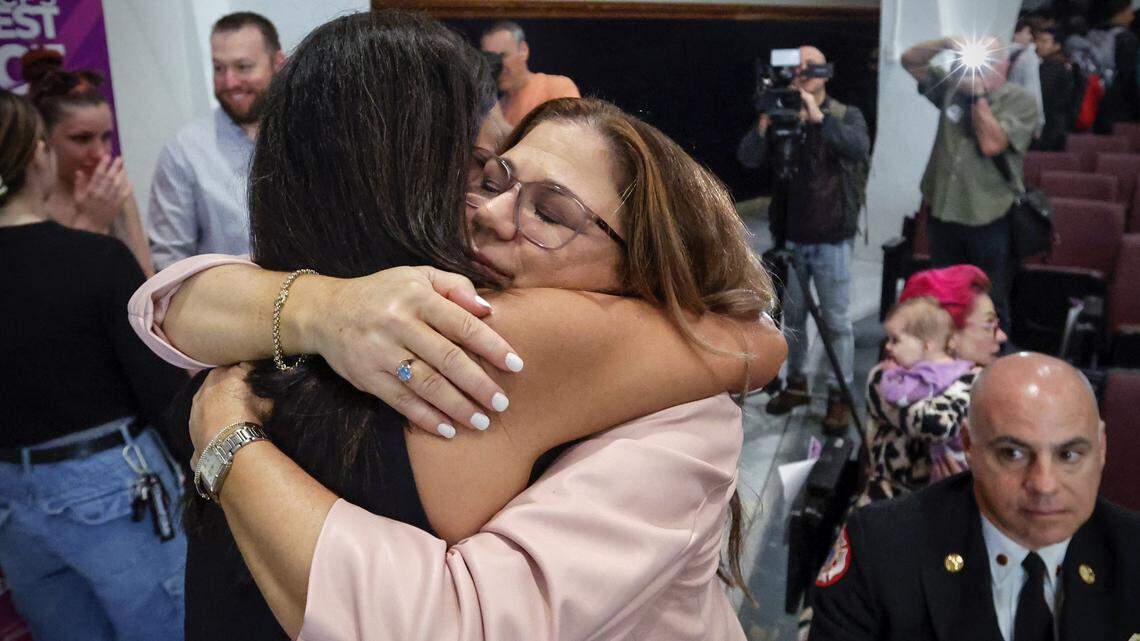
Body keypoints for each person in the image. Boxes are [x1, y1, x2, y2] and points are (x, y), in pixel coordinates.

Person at [129, 11, 785, 640]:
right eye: (492, 177)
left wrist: (226, 439)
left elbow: (454, 623)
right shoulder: (387, 317)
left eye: (550, 212)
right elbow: (168, 304)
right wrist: (323, 308)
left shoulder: (616, 379)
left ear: (645, 256)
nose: (492, 211)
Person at [0, 90, 188, 641]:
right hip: (112, 490)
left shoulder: (89, 255)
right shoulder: (96, 260)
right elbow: (161, 388)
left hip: (13, 498)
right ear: (39, 155)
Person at [809, 352, 1140, 641]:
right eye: (1013, 453)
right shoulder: (883, 549)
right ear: (969, 446)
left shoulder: (1132, 550)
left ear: (1102, 448)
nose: (1044, 484)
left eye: (1069, 455)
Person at [737, 45, 870, 432]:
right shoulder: (781, 111)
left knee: (836, 323)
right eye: (796, 68)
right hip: (790, 238)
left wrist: (819, 117)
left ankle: (838, 396)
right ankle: (796, 384)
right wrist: (765, 121)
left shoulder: (846, 115)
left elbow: (856, 148)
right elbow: (747, 158)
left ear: (825, 73)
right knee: (792, 319)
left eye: (810, 67)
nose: (802, 73)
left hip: (831, 239)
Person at [901, 36, 1038, 330]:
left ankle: (990, 364)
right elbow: (910, 60)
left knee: (989, 301)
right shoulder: (952, 88)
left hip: (988, 215)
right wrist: (947, 43)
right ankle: (948, 363)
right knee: (944, 296)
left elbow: (991, 144)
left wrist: (977, 96)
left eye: (985, 59)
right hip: (943, 211)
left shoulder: (1021, 101)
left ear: (1002, 64)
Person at [146, 12, 285, 269]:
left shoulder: (307, 133)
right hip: (227, 306)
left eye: (243, 67)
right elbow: (168, 263)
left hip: (313, 300)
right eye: (219, 68)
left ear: (278, 63)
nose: (229, 82)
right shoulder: (185, 150)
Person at [862, 265, 1005, 503]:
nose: (1001, 336)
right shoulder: (890, 378)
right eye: (989, 325)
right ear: (946, 336)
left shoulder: (987, 382)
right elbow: (939, 424)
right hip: (897, 521)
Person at [21, 49, 154, 276]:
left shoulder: (113, 190)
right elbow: (45, 295)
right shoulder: (24, 200)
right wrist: (90, 224)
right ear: (43, 141)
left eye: (106, 137)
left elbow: (147, 284)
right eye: (82, 138)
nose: (101, 154)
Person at [877, 296, 973, 484]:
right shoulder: (955, 367)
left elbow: (896, 395)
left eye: (895, 340)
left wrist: (890, 374)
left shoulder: (928, 376)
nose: (887, 347)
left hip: (950, 461)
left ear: (926, 345)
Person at [480, 20, 580, 128]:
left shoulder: (556, 87)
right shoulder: (496, 108)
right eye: (491, 58)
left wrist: (500, 125)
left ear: (524, 50)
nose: (499, 65)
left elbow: (572, 134)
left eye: (503, 55)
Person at [1089, 0, 1139, 133]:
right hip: (1116, 102)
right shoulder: (1126, 38)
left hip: (1090, 93)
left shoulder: (1092, 33)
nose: (1132, 17)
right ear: (1120, 12)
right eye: (1129, 12)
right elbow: (1127, 75)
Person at [1032, 27, 1078, 151]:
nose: (1038, 45)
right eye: (1038, 40)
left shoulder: (1056, 68)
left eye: (1044, 41)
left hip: (1051, 124)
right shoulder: (1047, 65)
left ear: (1057, 46)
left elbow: (1045, 95)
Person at [1009, 18, 1047, 139]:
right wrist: (1039, 121)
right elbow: (1033, 89)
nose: (1030, 37)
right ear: (1015, 33)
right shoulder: (1028, 57)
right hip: (1021, 115)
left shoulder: (996, 51)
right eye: (1027, 32)